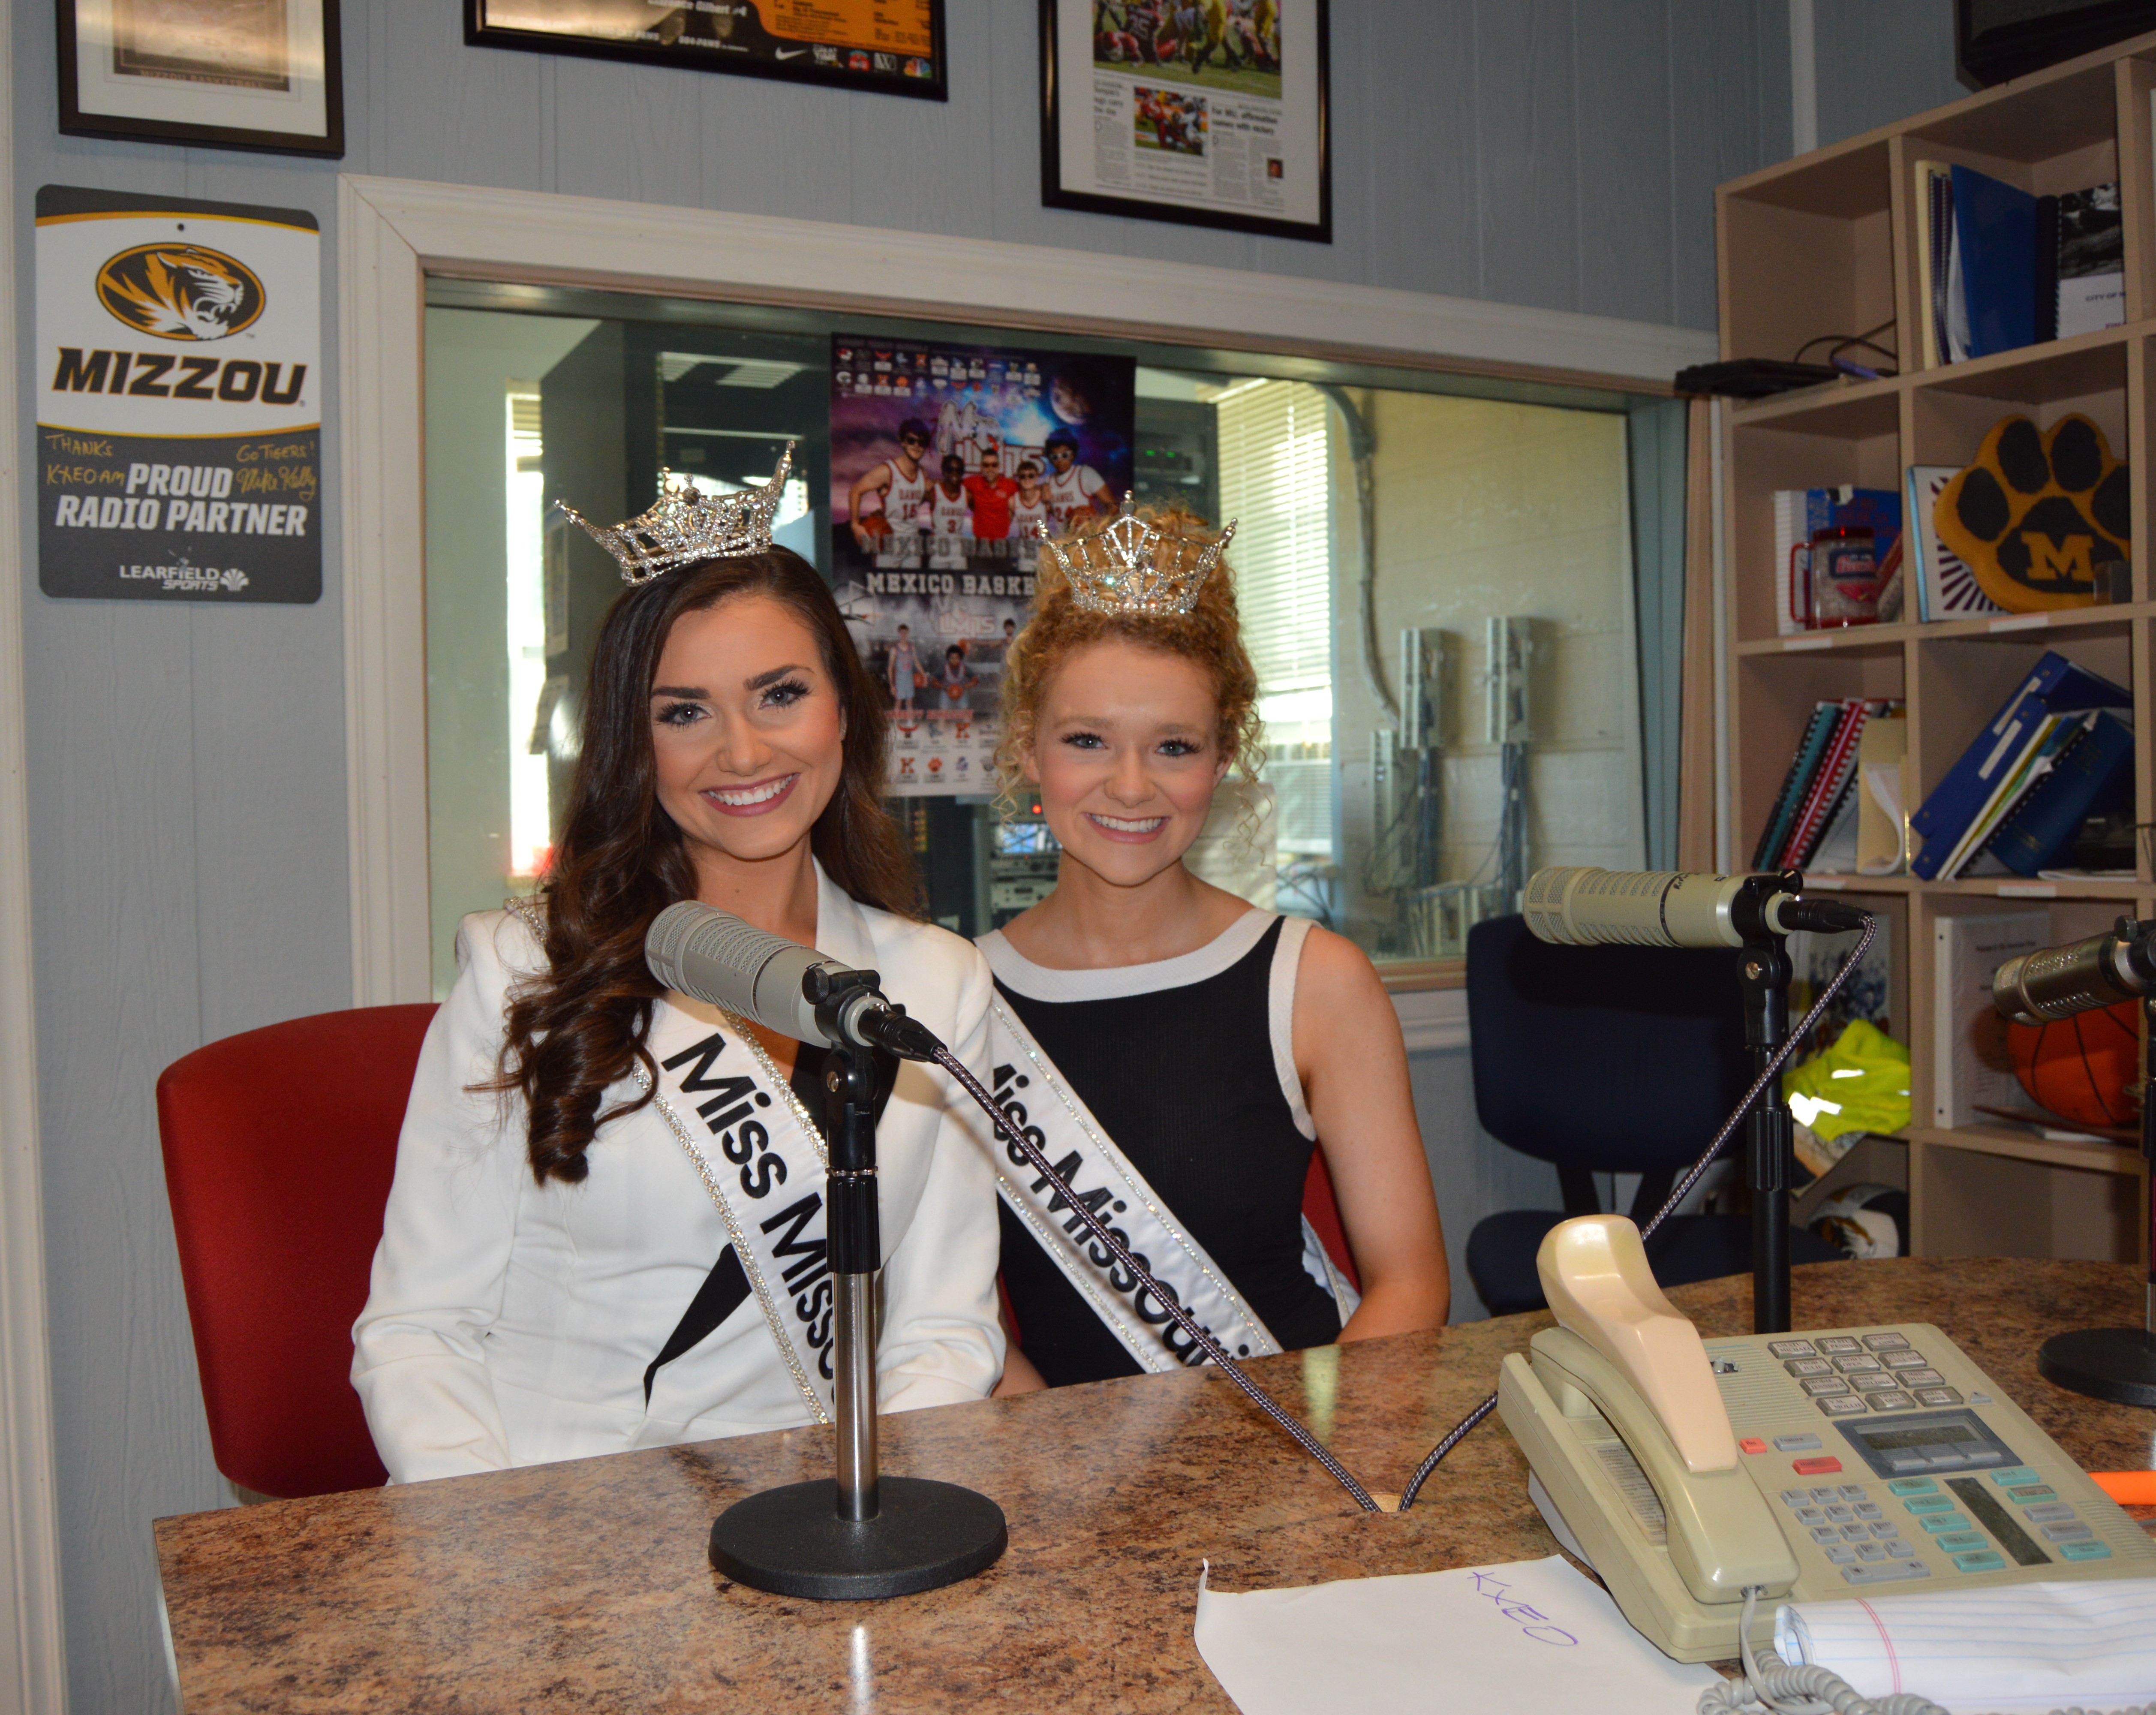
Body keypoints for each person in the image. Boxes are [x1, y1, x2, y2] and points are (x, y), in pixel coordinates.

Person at [352, 455, 1004, 1480]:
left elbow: (939, 1334)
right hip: (550, 1519)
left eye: (779, 694)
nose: (741, 753)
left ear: (844, 709)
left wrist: (872, 1521)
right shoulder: (522, 968)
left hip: (816, 1523)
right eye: (684, 711)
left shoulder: (938, 982)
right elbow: (420, 1328)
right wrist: (495, 1558)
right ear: (633, 742)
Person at [981, 500, 1448, 1393]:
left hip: (1299, 1441)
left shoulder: (1314, 980)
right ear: (1027, 750)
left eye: (1174, 745)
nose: (1129, 784)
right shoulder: (954, 992)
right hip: (1068, 1473)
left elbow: (1412, 1283)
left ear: (1223, 755)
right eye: (1087, 740)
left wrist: (1300, 1473)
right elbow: (955, 1317)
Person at [848, 418, 934, 566]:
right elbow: (856, 491)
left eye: (922, 443)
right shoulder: (888, 471)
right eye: (912, 441)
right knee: (884, 589)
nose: (917, 446)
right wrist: (856, 525)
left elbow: (912, 502)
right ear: (903, 442)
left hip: (912, 544)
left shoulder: (923, 474)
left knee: (911, 589)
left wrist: (928, 495)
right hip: (888, 543)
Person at [1042, 430, 1112, 533]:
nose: (1060, 460)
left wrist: (1099, 525)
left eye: (1065, 455)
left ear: (1073, 455)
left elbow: (1112, 505)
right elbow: (1050, 513)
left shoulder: (1085, 474)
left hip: (1085, 540)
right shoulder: (1049, 480)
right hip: (1063, 542)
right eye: (1055, 457)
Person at [927, 453, 973, 571]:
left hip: (958, 552)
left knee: (959, 588)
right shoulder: (934, 492)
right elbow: (913, 504)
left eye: (959, 471)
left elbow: (980, 512)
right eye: (950, 470)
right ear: (944, 471)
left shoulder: (967, 494)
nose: (955, 474)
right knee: (937, 588)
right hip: (938, 550)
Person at [887, 622, 921, 712]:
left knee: (910, 702)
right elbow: (890, 668)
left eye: (905, 633)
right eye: (902, 632)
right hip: (899, 680)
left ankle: (910, 724)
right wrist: (892, 685)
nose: (904, 634)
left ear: (908, 634)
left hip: (909, 679)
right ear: (899, 633)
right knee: (898, 702)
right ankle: (896, 724)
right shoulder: (895, 649)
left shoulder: (911, 647)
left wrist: (923, 675)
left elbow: (916, 662)